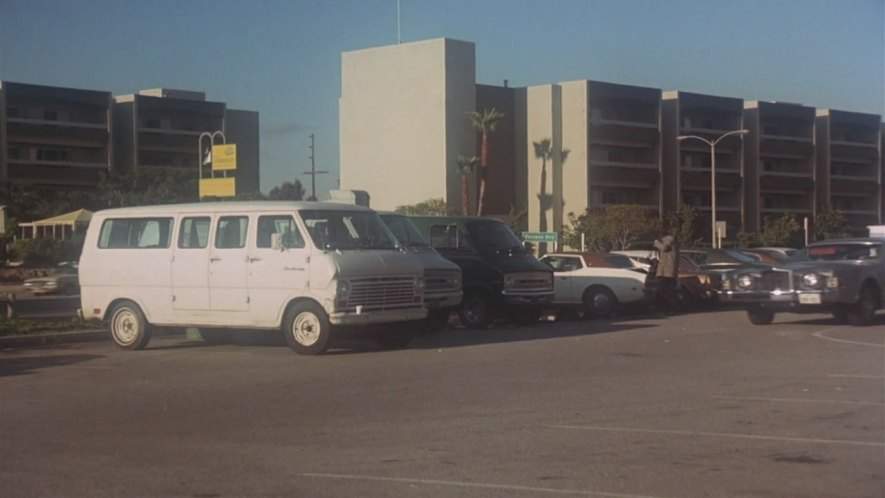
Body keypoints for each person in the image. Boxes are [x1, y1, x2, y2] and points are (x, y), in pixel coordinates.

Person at [654, 234, 679, 310]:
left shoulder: (669, 239)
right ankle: (667, 307)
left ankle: (671, 307)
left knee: (665, 291)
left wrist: (657, 243)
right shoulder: (670, 241)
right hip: (666, 272)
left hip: (667, 272)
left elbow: (664, 248)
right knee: (666, 291)